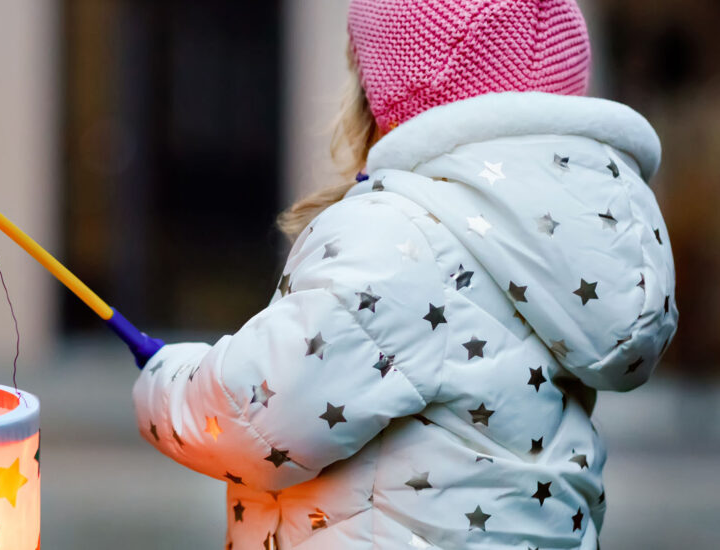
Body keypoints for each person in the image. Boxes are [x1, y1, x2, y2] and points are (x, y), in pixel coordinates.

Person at [131, 1, 678, 548]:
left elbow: (254, 418)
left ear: (391, 93)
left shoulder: (401, 238)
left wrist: (167, 376)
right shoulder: (558, 240)